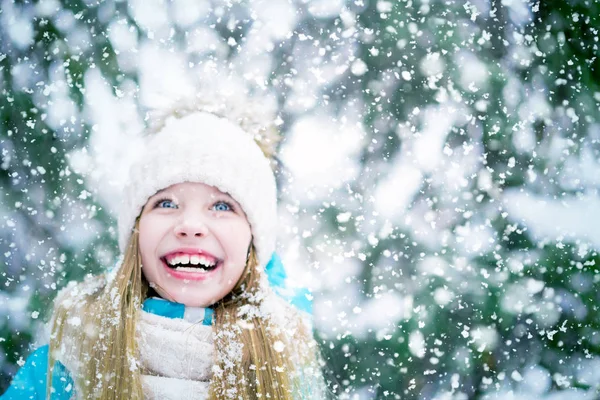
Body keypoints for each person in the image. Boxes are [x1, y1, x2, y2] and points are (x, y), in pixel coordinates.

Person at [1, 98, 329, 399]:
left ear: (253, 242)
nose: (191, 224)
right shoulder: (70, 360)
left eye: (223, 206)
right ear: (136, 232)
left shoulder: (285, 370)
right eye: (167, 202)